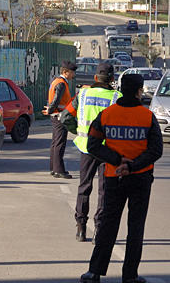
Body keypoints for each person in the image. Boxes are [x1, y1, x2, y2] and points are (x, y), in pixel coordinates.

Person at [79, 74, 163, 283]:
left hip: (113, 176)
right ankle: (130, 275)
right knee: (136, 227)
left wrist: (117, 161)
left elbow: (93, 145)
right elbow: (156, 150)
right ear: (138, 91)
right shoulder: (147, 117)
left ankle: (94, 272)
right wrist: (132, 165)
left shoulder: (107, 115)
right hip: (140, 178)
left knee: (108, 224)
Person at [70, 62, 122, 242]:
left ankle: (80, 228)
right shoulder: (117, 98)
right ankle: (99, 230)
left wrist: (77, 130)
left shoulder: (83, 94)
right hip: (108, 151)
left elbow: (65, 116)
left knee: (84, 187)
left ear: (95, 78)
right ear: (112, 80)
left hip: (86, 148)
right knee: (104, 191)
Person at [42, 60, 77, 179]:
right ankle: (58, 170)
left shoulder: (57, 81)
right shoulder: (61, 83)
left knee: (55, 143)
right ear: (66, 72)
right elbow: (56, 100)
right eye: (72, 73)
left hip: (56, 115)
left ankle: (54, 168)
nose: (74, 75)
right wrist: (51, 110)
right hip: (60, 116)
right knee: (59, 144)